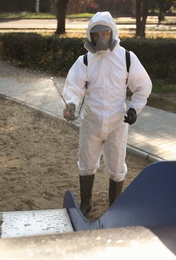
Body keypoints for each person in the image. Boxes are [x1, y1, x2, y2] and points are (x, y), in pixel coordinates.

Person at [62, 11, 152, 216]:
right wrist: (72, 105)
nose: (101, 38)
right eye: (97, 34)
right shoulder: (84, 61)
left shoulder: (127, 58)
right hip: (91, 122)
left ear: (113, 32)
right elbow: (74, 88)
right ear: (90, 36)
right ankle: (86, 203)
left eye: (105, 33)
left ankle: (115, 206)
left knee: (117, 165)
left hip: (117, 123)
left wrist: (133, 109)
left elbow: (143, 86)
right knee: (86, 163)